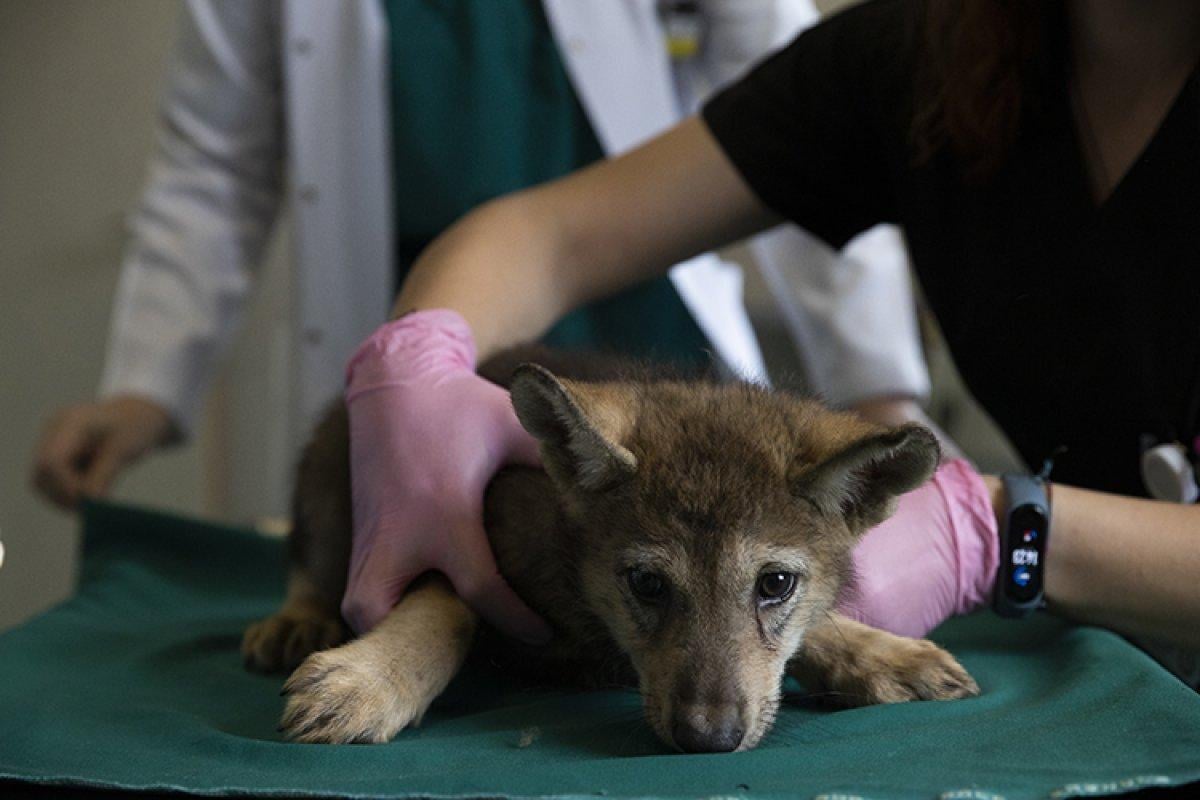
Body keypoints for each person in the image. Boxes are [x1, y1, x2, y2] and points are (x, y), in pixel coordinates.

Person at [338, 0, 1200, 680]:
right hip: (1108, 650)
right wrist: (419, 369)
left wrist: (1013, 532)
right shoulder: (928, 56)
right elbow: (550, 239)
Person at [31, 1, 935, 640]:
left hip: (657, 331)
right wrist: (144, 387)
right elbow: (213, 169)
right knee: (455, 589)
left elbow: (807, 136)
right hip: (430, 338)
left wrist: (876, 394)